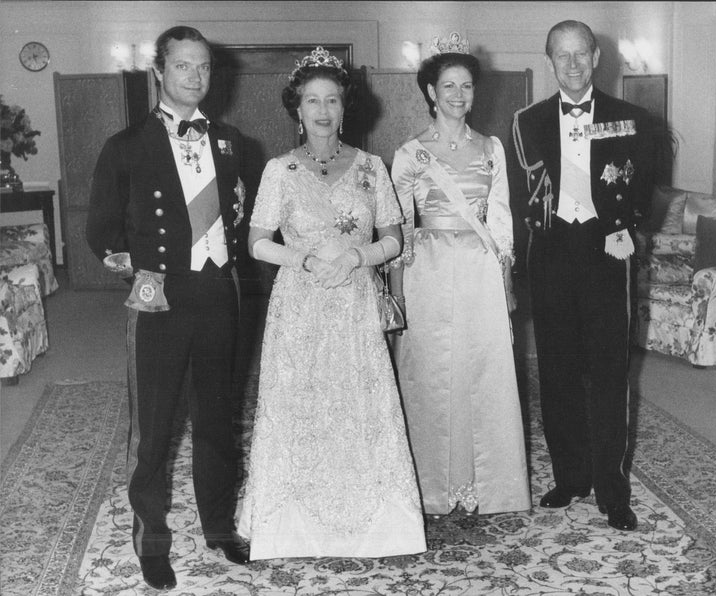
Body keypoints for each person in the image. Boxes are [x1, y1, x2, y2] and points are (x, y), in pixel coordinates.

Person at [235, 46, 426, 559]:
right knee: (300, 405)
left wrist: (357, 257)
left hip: (354, 303)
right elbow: (256, 241)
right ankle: (292, 525)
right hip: (299, 303)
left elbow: (395, 240)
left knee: (358, 409)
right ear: (296, 109)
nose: (323, 110)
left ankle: (375, 525)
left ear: (346, 108)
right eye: (312, 100)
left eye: (333, 100)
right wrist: (304, 260)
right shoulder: (279, 169)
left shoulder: (371, 168)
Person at [86, 26, 250, 590]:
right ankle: (152, 542)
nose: (195, 77)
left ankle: (219, 527)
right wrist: (139, 269)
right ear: (159, 71)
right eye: (183, 67)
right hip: (160, 300)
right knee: (153, 429)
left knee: (216, 421)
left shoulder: (230, 141)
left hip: (216, 296)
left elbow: (238, 218)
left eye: (203, 67)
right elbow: (101, 232)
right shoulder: (125, 145)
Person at [510, 20, 656, 531]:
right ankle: (571, 476)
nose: (571, 65)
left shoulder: (631, 118)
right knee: (557, 371)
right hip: (549, 255)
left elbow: (646, 189)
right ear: (549, 61)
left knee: (610, 372)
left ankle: (613, 489)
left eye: (580, 55)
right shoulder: (525, 122)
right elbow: (513, 192)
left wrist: (630, 230)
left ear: (596, 57)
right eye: (561, 56)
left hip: (605, 252)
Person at [389, 33, 531, 517]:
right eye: (447, 85)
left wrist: (507, 281)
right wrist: (397, 292)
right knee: (430, 369)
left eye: (466, 85)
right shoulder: (410, 153)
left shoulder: (492, 148)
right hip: (426, 267)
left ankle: (484, 486)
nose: (457, 94)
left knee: (481, 369)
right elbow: (400, 227)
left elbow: (501, 218)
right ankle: (431, 486)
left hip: (479, 267)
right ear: (431, 92)